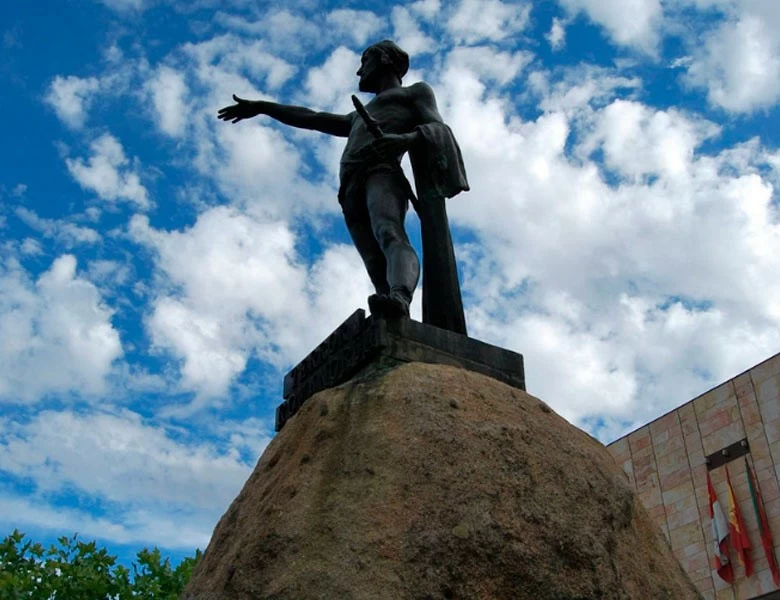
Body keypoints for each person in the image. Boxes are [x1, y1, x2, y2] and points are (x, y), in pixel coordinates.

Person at [217, 40, 470, 334]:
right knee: (374, 261)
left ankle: (400, 295)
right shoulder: (356, 117)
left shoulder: (415, 93)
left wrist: (403, 140)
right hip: (350, 184)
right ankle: (391, 316)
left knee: (389, 232)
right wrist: (263, 107)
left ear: (385, 59)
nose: (359, 70)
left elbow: (439, 129)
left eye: (365, 61)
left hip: (381, 171)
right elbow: (312, 118)